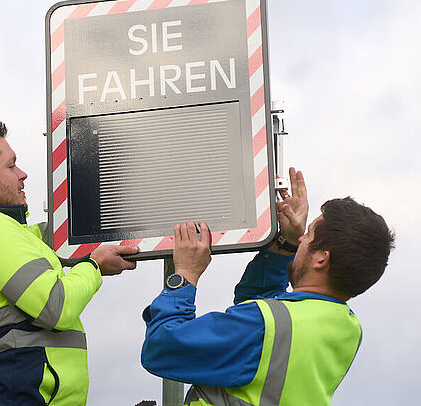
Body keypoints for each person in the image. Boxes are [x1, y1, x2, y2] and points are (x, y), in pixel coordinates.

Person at [141, 167, 395, 406]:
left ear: (322, 258)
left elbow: (162, 349)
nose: (302, 237)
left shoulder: (263, 325)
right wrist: (287, 244)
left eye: (309, 234)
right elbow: (260, 299)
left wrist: (184, 275)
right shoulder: (346, 329)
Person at [0, 120, 138, 405]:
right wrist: (94, 266)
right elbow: (55, 307)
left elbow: (57, 238)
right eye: (11, 166)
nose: (23, 174)